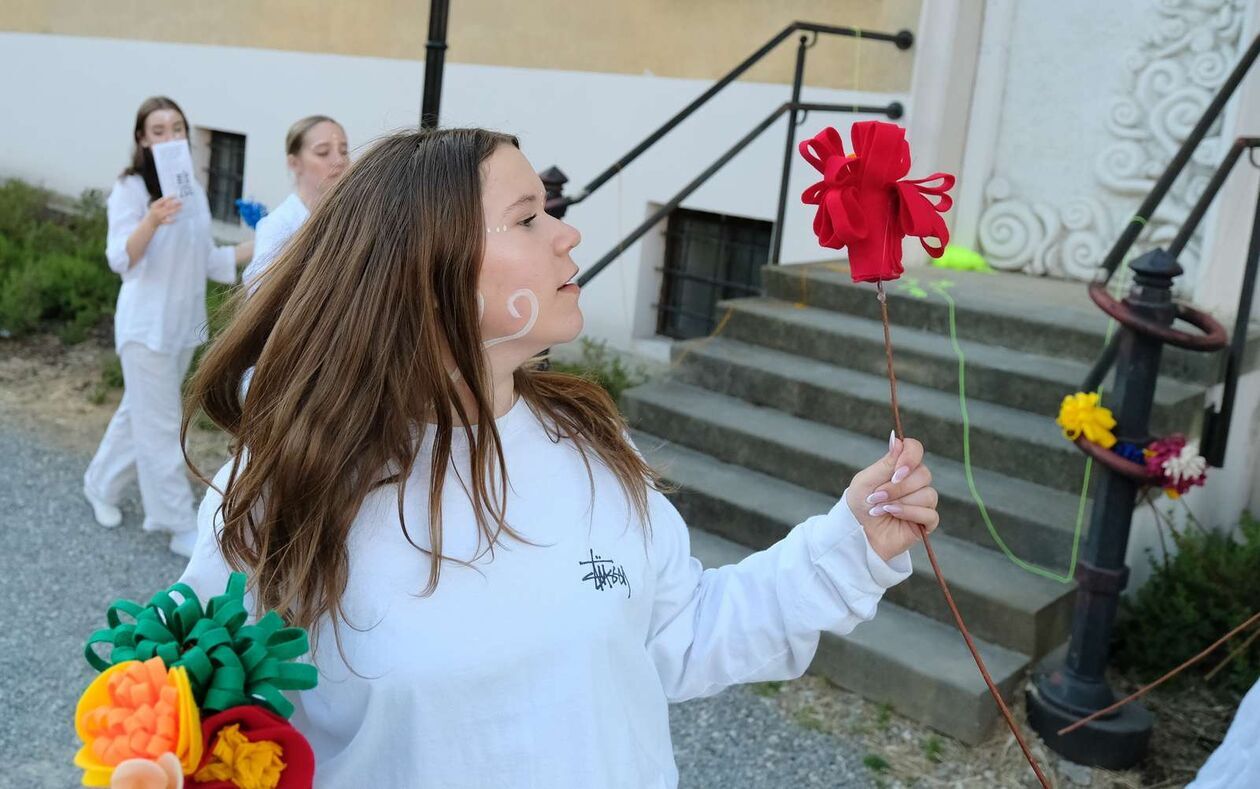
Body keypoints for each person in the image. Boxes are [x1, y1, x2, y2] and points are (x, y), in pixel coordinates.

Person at [178, 128, 940, 788]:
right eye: (527, 217)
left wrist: (850, 546)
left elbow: (680, 628)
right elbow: (193, 722)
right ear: (423, 267)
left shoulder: (590, 443)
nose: (566, 234)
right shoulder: (282, 490)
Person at [83, 96, 252, 557]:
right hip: (145, 329)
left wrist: (265, 240)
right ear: (142, 138)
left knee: (137, 412)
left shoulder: (191, 189)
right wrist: (153, 219)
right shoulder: (131, 189)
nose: (170, 136)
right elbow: (121, 258)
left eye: (177, 127)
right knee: (160, 425)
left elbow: (209, 260)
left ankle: (100, 483)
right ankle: (177, 522)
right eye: (158, 130)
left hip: (181, 325)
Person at [241, 115, 348, 292]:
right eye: (323, 152)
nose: (340, 161)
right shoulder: (277, 227)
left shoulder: (351, 216)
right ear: (294, 163)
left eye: (344, 151)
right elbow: (259, 296)